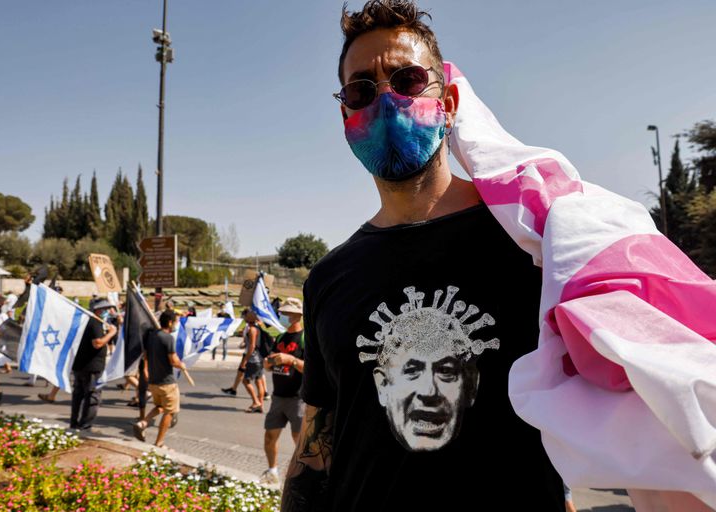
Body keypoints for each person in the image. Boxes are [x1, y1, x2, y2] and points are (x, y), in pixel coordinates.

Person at [283, 2, 565, 510]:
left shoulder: (533, 241)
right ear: (345, 114)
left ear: (449, 101)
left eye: (408, 80)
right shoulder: (327, 278)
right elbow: (316, 446)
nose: (385, 100)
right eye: (361, 89)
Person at [260, 297, 305, 485]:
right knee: (270, 436)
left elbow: (313, 370)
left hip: (298, 398)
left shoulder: (305, 338)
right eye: (282, 313)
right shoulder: (279, 337)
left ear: (297, 315)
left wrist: (291, 360)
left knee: (300, 441)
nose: (282, 316)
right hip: (278, 397)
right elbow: (270, 364)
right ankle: (272, 471)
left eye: (285, 313)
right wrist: (268, 363)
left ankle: (304, 475)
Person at [133, 310, 185, 447]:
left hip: (153, 381)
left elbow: (146, 355)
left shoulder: (152, 336)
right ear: (169, 322)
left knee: (160, 406)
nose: (175, 325)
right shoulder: (168, 338)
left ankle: (143, 422)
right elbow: (173, 361)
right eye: (175, 322)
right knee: (169, 412)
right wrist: (181, 365)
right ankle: (159, 442)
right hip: (167, 382)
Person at [70, 299, 117, 430]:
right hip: (91, 367)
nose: (107, 311)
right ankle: (85, 426)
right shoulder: (94, 322)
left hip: (81, 364)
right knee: (92, 396)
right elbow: (97, 343)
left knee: (78, 395)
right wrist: (111, 333)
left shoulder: (86, 321)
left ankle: (74, 423)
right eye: (105, 309)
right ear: (98, 310)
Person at [240, 309, 266, 412]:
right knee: (258, 381)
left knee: (245, 381)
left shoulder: (252, 329)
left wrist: (245, 361)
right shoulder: (257, 328)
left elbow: (252, 346)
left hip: (253, 359)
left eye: (246, 315)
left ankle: (256, 402)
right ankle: (260, 405)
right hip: (259, 358)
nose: (245, 317)